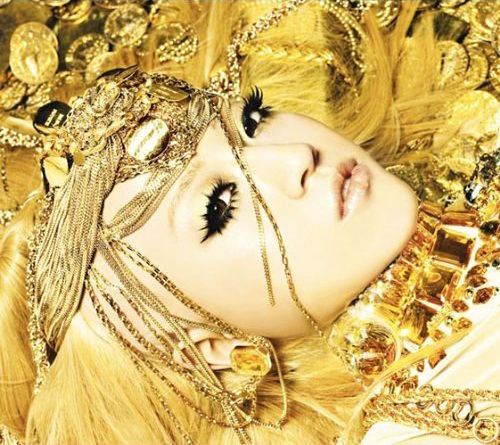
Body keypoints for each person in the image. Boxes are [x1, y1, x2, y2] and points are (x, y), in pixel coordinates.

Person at [0, 2, 498, 445]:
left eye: (252, 121)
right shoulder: (440, 424)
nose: (296, 155)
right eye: (219, 207)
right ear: (213, 348)